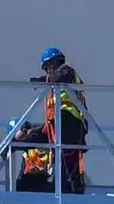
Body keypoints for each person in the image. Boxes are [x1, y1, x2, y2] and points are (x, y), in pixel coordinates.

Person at [18, 64, 88, 195]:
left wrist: (44, 80)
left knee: (67, 157)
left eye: (47, 68)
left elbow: (61, 76)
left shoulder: (67, 70)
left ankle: (70, 187)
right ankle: (69, 187)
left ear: (51, 64)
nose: (47, 72)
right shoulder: (58, 78)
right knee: (64, 157)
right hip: (61, 121)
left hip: (69, 118)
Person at [7, 119, 52, 193]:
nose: (17, 140)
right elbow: (23, 170)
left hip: (46, 179)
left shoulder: (38, 138)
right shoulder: (27, 150)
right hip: (34, 179)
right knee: (19, 185)